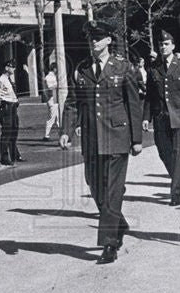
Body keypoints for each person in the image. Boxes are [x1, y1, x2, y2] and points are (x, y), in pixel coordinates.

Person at [60, 20, 143, 264]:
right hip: (91, 139)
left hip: (117, 137)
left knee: (112, 189)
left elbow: (133, 105)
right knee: (95, 186)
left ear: (108, 40)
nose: (93, 43)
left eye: (98, 38)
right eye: (90, 39)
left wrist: (136, 139)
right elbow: (73, 102)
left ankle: (109, 243)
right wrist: (65, 130)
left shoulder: (123, 67)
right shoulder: (82, 69)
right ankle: (118, 222)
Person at [143, 29, 180, 207]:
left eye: (166, 44)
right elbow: (150, 96)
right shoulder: (154, 69)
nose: (163, 47)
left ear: (173, 46)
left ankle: (174, 193)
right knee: (164, 153)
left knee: (178, 154)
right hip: (161, 118)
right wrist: (146, 117)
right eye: (160, 44)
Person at [0, 61, 22, 165]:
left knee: (14, 131)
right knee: (6, 132)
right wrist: (1, 109)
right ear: (6, 68)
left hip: (13, 106)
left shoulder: (9, 80)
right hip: (6, 107)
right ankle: (4, 158)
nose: (14, 68)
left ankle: (15, 156)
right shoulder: (0, 80)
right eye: (12, 67)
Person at [43, 61, 60, 141]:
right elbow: (50, 87)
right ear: (54, 69)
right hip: (52, 100)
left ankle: (61, 134)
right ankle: (46, 135)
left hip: (55, 100)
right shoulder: (49, 77)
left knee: (58, 119)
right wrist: (58, 85)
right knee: (51, 119)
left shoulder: (53, 76)